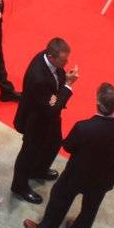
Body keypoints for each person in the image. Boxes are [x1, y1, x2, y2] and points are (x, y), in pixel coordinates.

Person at [23, 82, 114, 228]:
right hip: (104, 178)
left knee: (59, 198)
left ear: (98, 103)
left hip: (76, 175)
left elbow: (68, 146)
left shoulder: (84, 127)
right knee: (91, 207)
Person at [9, 36, 77, 204]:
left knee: (54, 144)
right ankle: (19, 186)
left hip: (48, 116)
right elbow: (51, 106)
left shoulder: (49, 60)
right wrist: (67, 86)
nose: (66, 63)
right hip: (35, 120)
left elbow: (55, 89)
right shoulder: (38, 77)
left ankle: (38, 170)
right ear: (51, 56)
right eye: (63, 59)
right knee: (28, 152)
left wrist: (58, 92)